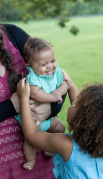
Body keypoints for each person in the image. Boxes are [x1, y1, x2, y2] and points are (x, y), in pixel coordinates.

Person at [0, 0, 65, 179]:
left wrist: (51, 107)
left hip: (40, 152)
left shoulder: (13, 35)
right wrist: (12, 106)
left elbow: (55, 76)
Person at [15, 37, 67, 170]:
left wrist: (58, 92)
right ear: (30, 66)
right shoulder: (33, 77)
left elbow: (65, 84)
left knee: (60, 128)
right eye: (44, 64)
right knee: (31, 141)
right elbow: (35, 94)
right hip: (33, 121)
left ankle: (50, 150)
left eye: (53, 61)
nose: (50, 66)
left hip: (48, 118)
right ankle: (31, 159)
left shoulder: (55, 73)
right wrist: (53, 98)